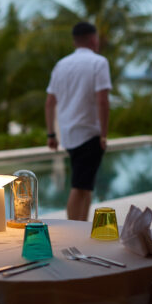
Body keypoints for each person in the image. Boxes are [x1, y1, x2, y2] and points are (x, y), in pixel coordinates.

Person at [45, 22, 111, 221]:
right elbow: (102, 100)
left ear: (74, 41)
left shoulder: (61, 65)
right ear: (93, 39)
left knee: (85, 185)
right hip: (89, 133)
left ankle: (82, 227)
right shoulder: (99, 62)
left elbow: (50, 102)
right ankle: (74, 231)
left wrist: (51, 134)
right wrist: (104, 134)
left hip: (69, 134)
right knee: (80, 187)